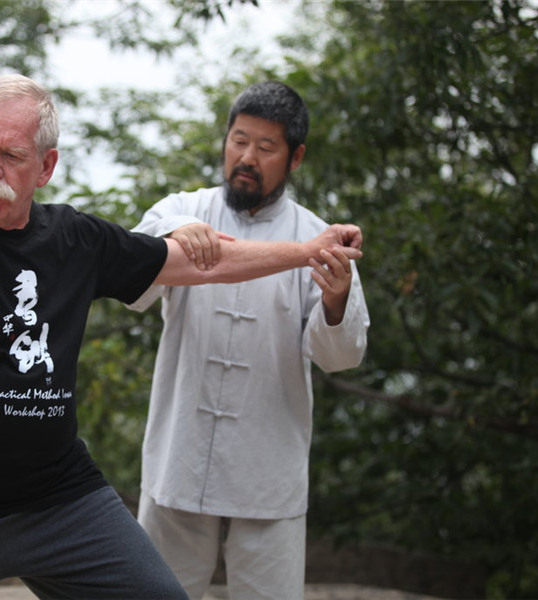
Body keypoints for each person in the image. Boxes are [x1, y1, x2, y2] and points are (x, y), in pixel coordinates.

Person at [0, 74, 363, 600]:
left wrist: (310, 252)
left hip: (55, 503)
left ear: (46, 166)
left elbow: (197, 264)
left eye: (10, 155)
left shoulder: (74, 240)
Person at [129, 81, 370, 600]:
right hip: (180, 459)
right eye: (239, 141)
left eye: (266, 148)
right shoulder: (182, 210)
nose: (247, 157)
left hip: (269, 474)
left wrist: (335, 299)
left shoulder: (318, 236)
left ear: (295, 157)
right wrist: (178, 231)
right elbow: (130, 285)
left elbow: (342, 357)